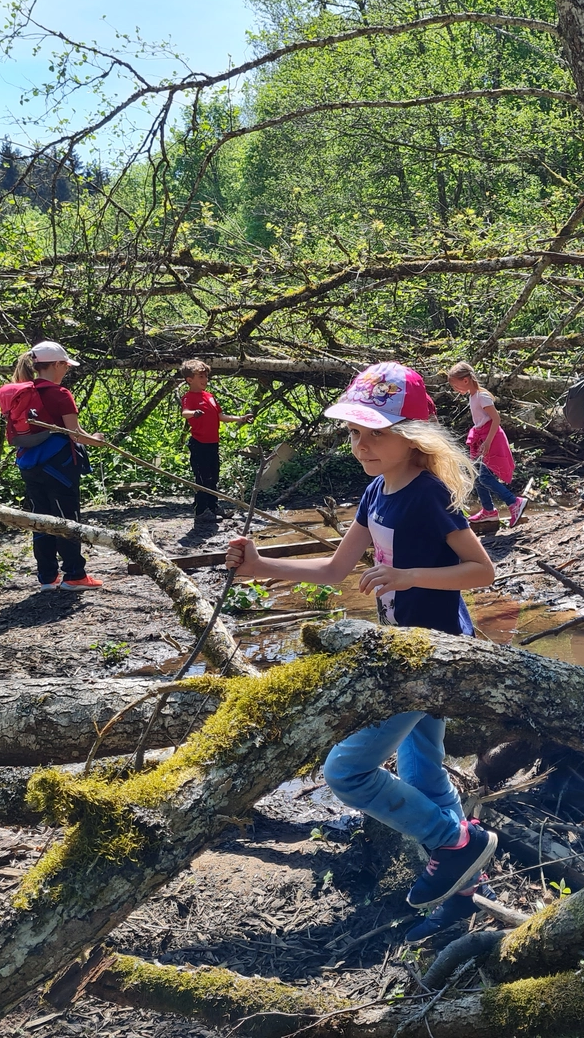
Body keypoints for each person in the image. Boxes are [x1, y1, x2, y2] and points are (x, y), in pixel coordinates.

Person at [225, 361, 499, 942]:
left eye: (375, 432)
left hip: (431, 657)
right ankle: (462, 887)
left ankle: (457, 843)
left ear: (412, 436)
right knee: (424, 771)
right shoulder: (376, 491)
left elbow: (481, 571)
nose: (361, 444)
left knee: (347, 771)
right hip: (404, 651)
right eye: (354, 432)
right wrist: (258, 564)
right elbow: (333, 569)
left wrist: (407, 576)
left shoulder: (429, 495)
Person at [13, 341, 108, 591]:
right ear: (55, 364)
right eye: (65, 364)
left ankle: (47, 577)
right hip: (59, 466)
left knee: (41, 519)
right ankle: (75, 575)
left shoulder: (25, 391)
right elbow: (74, 433)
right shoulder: (60, 394)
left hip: (30, 465)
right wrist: (97, 441)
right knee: (67, 519)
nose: (66, 369)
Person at [446, 362, 527, 525]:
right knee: (477, 476)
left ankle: (514, 502)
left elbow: (496, 419)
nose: (455, 389)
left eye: (455, 385)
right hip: (483, 438)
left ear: (466, 380)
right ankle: (489, 511)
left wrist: (488, 442)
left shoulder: (482, 396)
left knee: (485, 477)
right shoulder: (472, 396)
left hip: (492, 439)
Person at [178, 359, 253, 524]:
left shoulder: (209, 396)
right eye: (201, 377)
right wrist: (194, 413)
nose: (205, 380)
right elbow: (185, 413)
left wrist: (240, 418)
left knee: (214, 477)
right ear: (190, 380)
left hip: (213, 443)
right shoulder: (189, 397)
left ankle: (213, 506)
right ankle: (201, 511)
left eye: (206, 376)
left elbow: (220, 416)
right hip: (199, 445)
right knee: (203, 479)